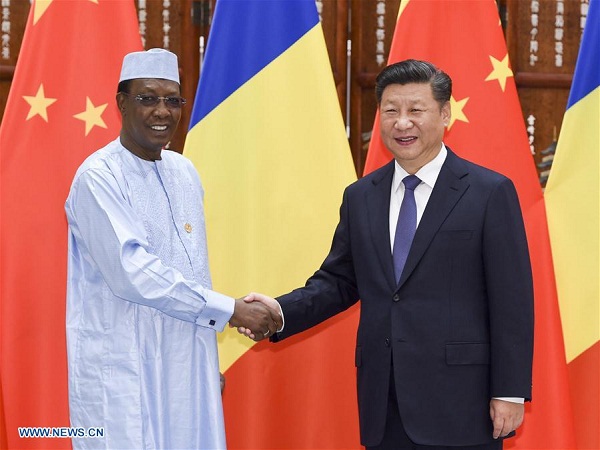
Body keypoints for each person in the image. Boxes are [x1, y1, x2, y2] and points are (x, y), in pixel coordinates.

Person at [241, 59, 534, 450]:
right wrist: (279, 312)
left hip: (462, 401)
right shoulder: (361, 196)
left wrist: (510, 391)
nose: (402, 123)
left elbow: (512, 299)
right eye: (391, 111)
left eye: (416, 110)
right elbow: (339, 282)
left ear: (445, 114)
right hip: (385, 399)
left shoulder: (488, 192)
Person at [65, 48, 280, 450]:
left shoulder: (184, 171)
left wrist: (203, 360)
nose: (161, 111)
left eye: (172, 100)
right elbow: (134, 272)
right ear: (122, 103)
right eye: (148, 98)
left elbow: (195, 268)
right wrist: (229, 309)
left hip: (187, 364)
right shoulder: (98, 176)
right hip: (125, 367)